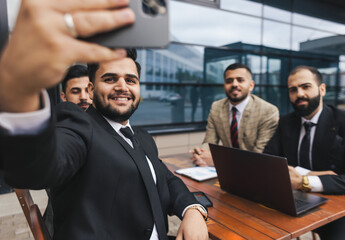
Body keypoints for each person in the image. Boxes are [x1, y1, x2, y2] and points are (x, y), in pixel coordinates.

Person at [0, 1, 208, 239]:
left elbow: (167, 179)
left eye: (131, 80)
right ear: (90, 88)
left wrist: (193, 209)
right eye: (110, 79)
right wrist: (21, 92)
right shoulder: (78, 125)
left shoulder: (142, 138)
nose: (122, 86)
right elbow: (35, 170)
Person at [264, 65, 345, 239]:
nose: (299, 94)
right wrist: (313, 175)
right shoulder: (286, 122)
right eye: (293, 90)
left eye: (306, 87)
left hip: (342, 207)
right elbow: (267, 162)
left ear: (322, 89)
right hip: (294, 201)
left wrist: (304, 181)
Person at [191, 63, 279, 166]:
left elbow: (259, 156)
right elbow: (209, 142)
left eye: (240, 80)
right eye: (229, 81)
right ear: (224, 85)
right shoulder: (216, 107)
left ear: (251, 85)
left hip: (256, 171)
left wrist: (218, 160)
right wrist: (202, 154)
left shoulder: (268, 111)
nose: (234, 84)